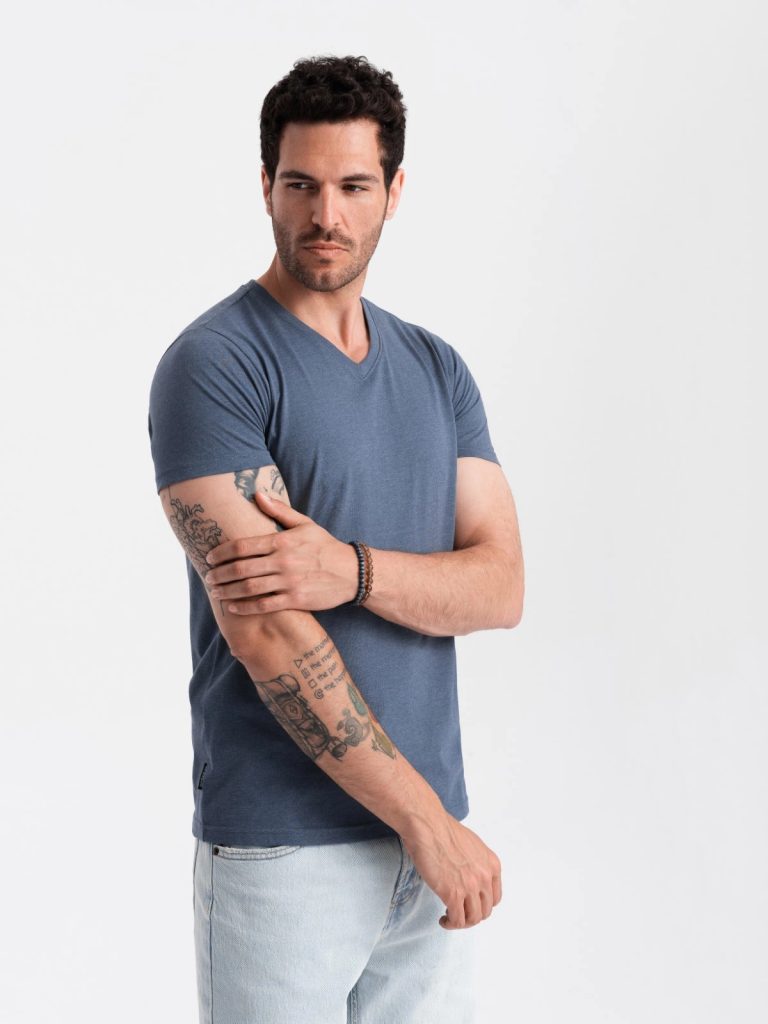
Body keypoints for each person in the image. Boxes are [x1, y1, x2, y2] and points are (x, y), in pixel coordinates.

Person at [148, 53, 524, 1024]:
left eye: (354, 186)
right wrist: (427, 822)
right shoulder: (215, 366)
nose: (326, 214)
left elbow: (500, 584)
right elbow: (268, 630)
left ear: (394, 192)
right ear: (265, 185)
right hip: (286, 853)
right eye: (301, 185)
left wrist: (349, 570)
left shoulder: (437, 369)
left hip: (429, 856)